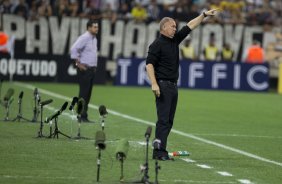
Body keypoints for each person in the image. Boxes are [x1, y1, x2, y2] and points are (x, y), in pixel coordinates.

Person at [146, 9, 219, 161]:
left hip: (173, 86)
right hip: (163, 85)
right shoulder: (157, 44)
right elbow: (149, 65)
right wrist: (154, 83)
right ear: (164, 27)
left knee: (169, 121)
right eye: (172, 26)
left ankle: (161, 150)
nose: (175, 28)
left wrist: (203, 15)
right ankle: (158, 152)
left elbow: (190, 25)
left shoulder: (174, 40)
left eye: (175, 26)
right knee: (163, 120)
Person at [70, 19, 99, 122]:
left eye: (97, 27)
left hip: (91, 70)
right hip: (85, 70)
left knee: (87, 94)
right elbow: (73, 49)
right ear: (89, 27)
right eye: (95, 27)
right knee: (83, 94)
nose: (97, 29)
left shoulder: (94, 38)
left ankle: (84, 115)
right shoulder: (85, 37)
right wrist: (78, 64)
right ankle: (80, 115)